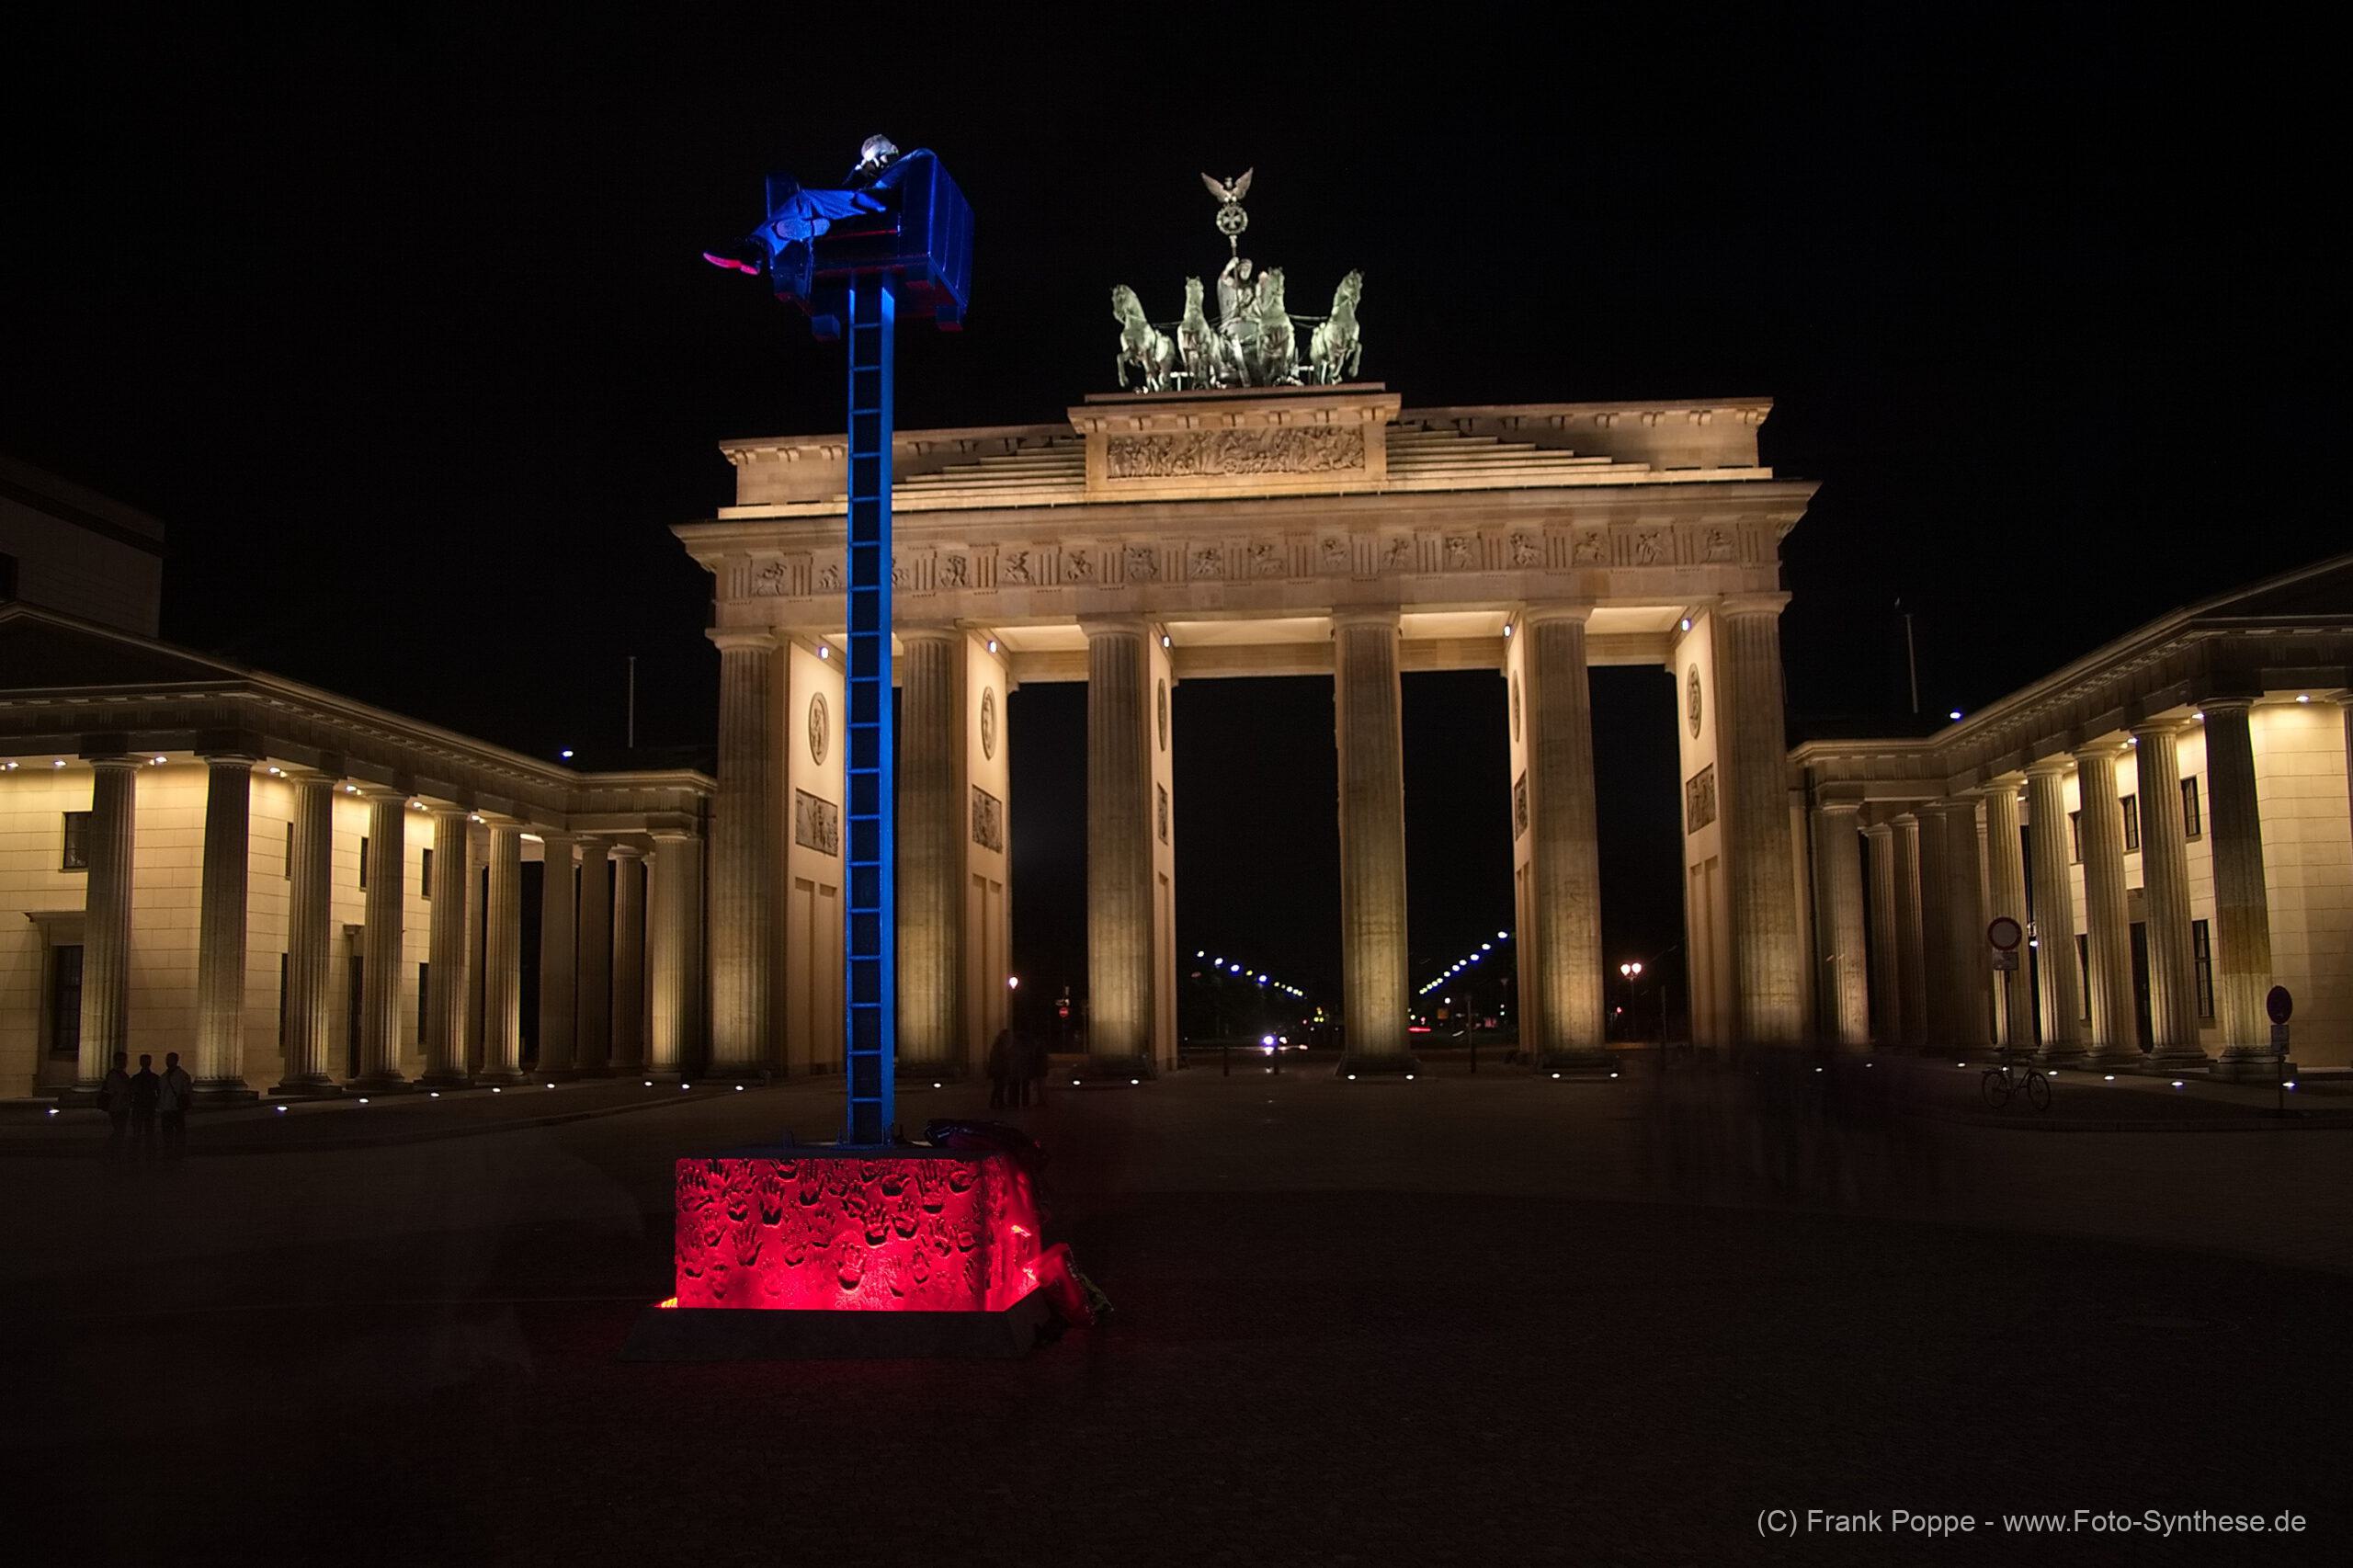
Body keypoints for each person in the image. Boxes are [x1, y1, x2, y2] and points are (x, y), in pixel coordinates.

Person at [159, 1051, 194, 1159]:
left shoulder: (181, 1075)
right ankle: (170, 1150)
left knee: (178, 1131)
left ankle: (178, 1151)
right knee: (169, 1132)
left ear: (176, 1061)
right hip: (167, 1108)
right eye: (167, 1059)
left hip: (176, 1108)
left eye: (170, 1059)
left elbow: (187, 1092)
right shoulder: (164, 1076)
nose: (168, 1061)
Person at [128, 1053, 162, 1162]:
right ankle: (147, 1152)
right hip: (145, 1106)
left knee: (142, 1131)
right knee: (146, 1130)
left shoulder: (137, 1078)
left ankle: (141, 1152)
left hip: (143, 1106)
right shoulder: (153, 1077)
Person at [100, 1051, 132, 1159]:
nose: (125, 1062)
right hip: (117, 1106)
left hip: (121, 1106)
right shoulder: (115, 1075)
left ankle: (113, 1151)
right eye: (123, 1060)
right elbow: (117, 1090)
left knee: (120, 1130)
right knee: (119, 1130)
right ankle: (110, 1151)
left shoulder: (121, 1074)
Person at [986, 1028, 1015, 1111]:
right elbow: (1003, 1059)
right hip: (999, 1070)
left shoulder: (997, 1046)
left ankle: (996, 1102)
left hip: (998, 1070)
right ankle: (999, 1103)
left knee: (998, 1087)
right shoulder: (1001, 1047)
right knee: (1000, 1087)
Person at [1018, 1029, 1049, 1108]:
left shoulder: (1038, 1048)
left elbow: (1037, 1059)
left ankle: (1041, 1101)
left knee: (1040, 1087)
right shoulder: (1040, 1048)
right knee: (1040, 1087)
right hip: (1040, 1070)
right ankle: (1041, 1101)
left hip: (1039, 1070)